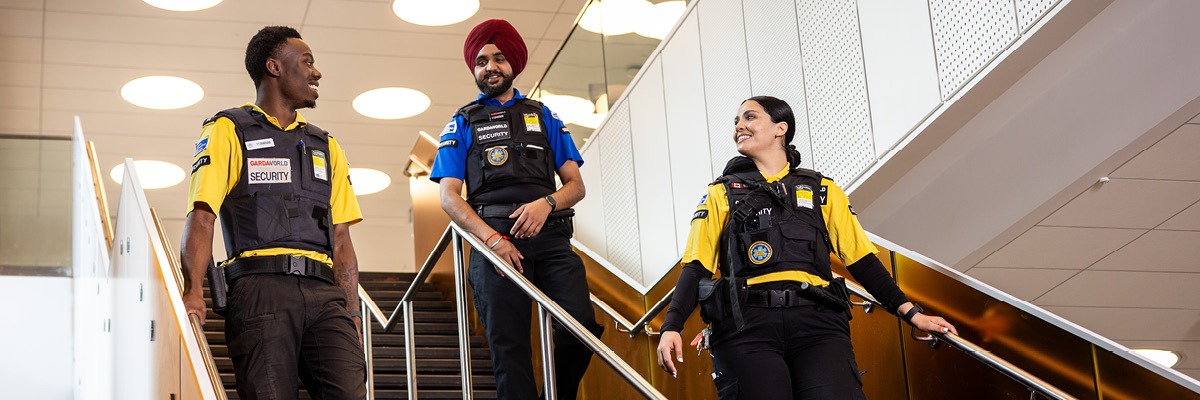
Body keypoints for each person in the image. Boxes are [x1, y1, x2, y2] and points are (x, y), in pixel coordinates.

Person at [654, 96, 957, 399]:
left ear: (780, 128)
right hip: (746, 326)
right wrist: (671, 326)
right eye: (736, 121)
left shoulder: (823, 191)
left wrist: (912, 314)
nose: (739, 127)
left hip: (819, 324)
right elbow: (696, 268)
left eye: (749, 117)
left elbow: (863, 262)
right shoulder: (720, 194)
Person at [179, 26, 366, 400]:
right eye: (307, 62)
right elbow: (202, 216)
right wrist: (192, 291)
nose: (317, 72)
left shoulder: (326, 145)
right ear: (274, 67)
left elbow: (342, 238)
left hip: (324, 293)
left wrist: (353, 313)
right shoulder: (228, 129)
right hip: (259, 289)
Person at [429, 18, 603, 400]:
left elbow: (576, 186)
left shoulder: (545, 116)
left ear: (514, 65)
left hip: (552, 237)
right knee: (510, 352)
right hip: (495, 245)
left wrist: (546, 203)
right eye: (481, 61)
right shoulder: (460, 122)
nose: (489, 67)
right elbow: (449, 197)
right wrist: (492, 241)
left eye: (498, 59)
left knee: (582, 329)